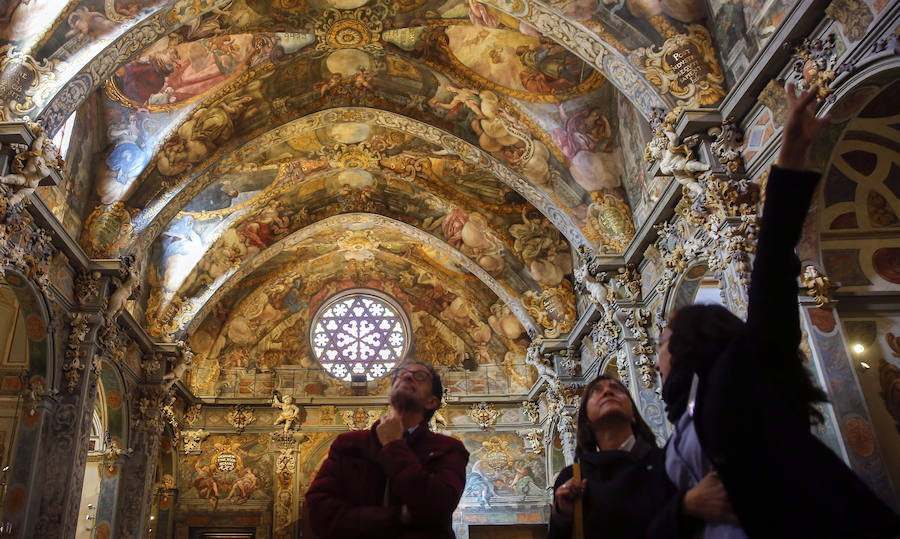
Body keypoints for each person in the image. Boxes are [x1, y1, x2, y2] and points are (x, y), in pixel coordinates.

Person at [651, 84, 900, 538]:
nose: (657, 354)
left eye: (664, 340)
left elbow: (769, 279)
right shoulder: (679, 421)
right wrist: (686, 506)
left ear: (691, 344)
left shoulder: (741, 372)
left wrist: (790, 161)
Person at [305, 361, 469, 538]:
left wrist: (393, 445)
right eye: (401, 374)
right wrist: (398, 517)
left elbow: (438, 505)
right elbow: (319, 510)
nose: (407, 376)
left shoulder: (448, 449)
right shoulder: (349, 444)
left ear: (431, 402)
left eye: (420, 376)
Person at [549, 375, 702, 539]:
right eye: (596, 391)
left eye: (616, 388)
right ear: (586, 421)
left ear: (633, 415)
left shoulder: (667, 462)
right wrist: (562, 515)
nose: (607, 391)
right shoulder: (572, 478)